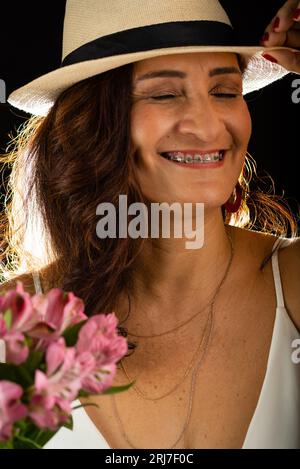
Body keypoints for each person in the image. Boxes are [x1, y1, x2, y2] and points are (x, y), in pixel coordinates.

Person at [0, 0, 300, 449]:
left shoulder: (292, 285)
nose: (207, 125)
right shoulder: (17, 325)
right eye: (164, 93)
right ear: (93, 124)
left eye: (225, 92)